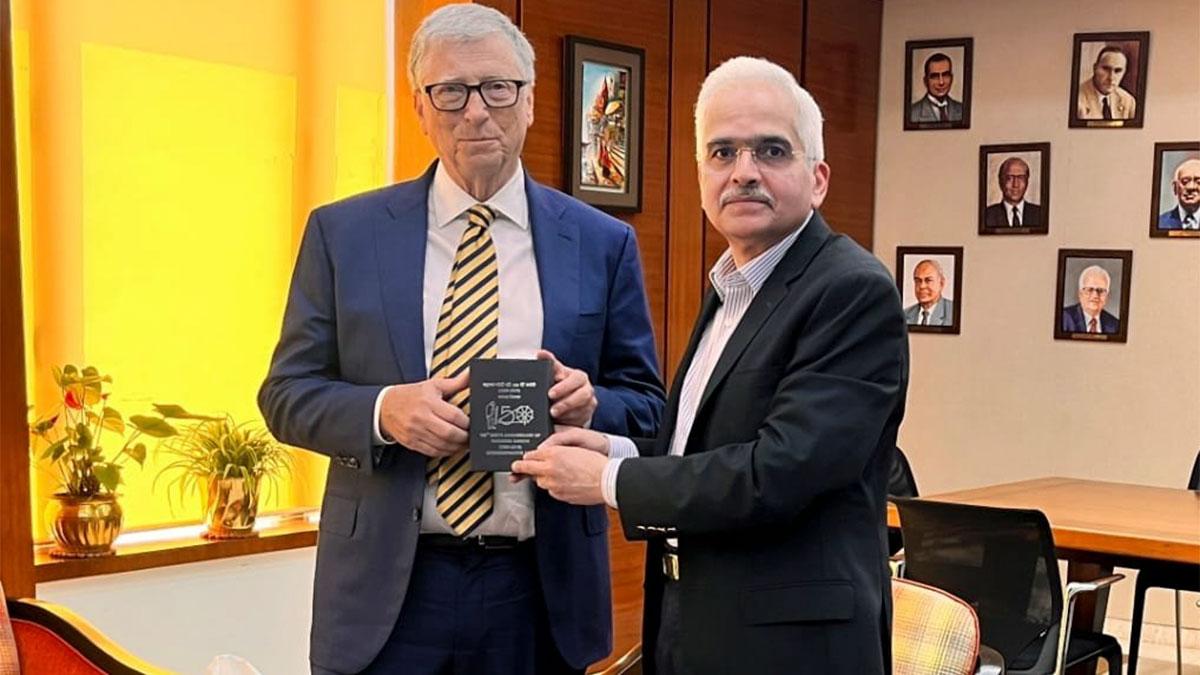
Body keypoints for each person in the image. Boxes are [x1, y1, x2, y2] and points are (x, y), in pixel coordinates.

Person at [258, 5, 666, 674]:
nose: (475, 111)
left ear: (529, 102)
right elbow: (285, 395)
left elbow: (648, 407)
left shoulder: (601, 243)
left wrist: (592, 405)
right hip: (388, 594)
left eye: (497, 88)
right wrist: (384, 411)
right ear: (420, 108)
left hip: (540, 589)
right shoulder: (345, 235)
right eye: (450, 91)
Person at [513, 56, 909, 674]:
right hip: (692, 624)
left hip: (791, 650)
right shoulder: (731, 287)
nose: (743, 172)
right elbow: (707, 448)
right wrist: (615, 448)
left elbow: (778, 473)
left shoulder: (850, 290)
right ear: (701, 174)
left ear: (818, 179)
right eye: (722, 153)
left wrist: (609, 481)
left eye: (771, 151)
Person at [1076, 45, 1137, 120]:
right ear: (1095, 68)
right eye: (1106, 69)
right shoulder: (1077, 100)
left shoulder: (1128, 101)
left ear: (1124, 72)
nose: (1111, 78)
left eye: (1118, 71)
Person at [984, 157, 1042, 228]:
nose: (1015, 185)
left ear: (1027, 182)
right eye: (1009, 178)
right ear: (1000, 181)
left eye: (1021, 178)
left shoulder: (1040, 214)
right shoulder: (987, 215)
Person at [1061, 265, 1119, 334]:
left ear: (1107, 296)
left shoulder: (1115, 325)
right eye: (1090, 290)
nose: (1095, 296)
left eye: (1100, 290)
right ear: (1080, 294)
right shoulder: (1063, 318)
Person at [909, 52, 963, 123]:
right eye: (934, 76)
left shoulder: (962, 109)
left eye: (945, 75)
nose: (941, 82)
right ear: (925, 81)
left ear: (951, 78)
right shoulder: (912, 113)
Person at [903, 259, 954, 326]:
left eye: (928, 280)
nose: (922, 286)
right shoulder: (904, 314)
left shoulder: (953, 313)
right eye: (918, 281)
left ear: (941, 283)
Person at [1158, 158, 1200, 230]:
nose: (1191, 187)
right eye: (1185, 182)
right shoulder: (1160, 223)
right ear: (1175, 187)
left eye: (1198, 182)